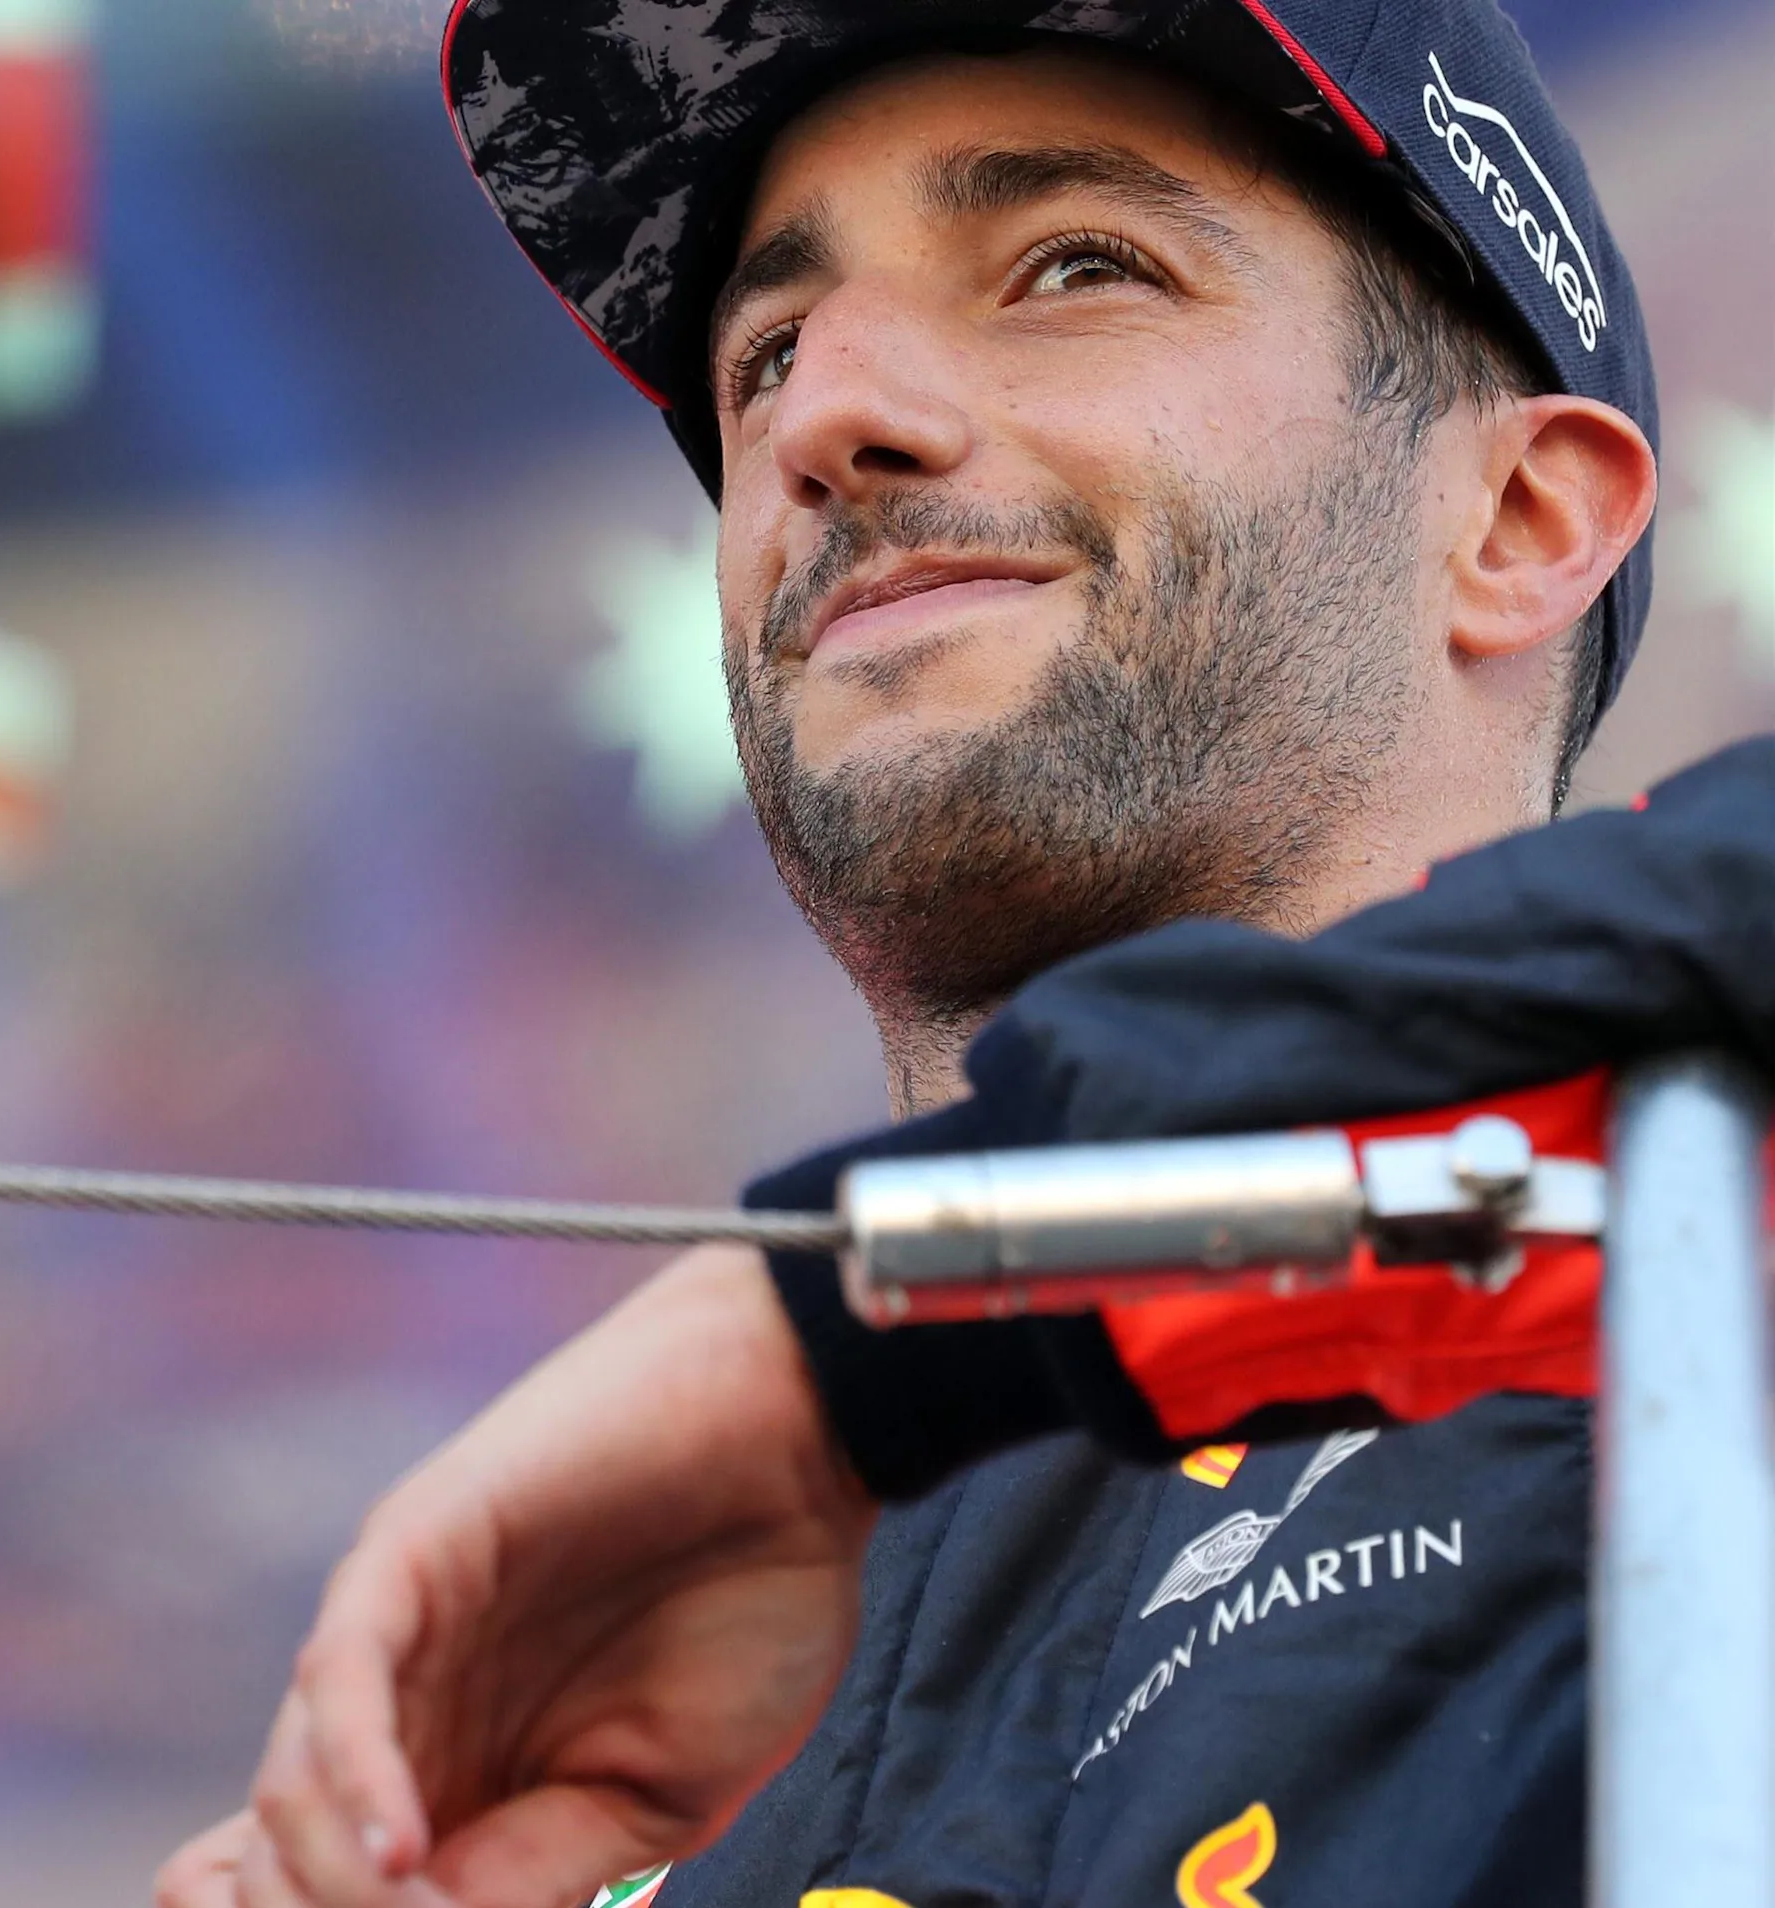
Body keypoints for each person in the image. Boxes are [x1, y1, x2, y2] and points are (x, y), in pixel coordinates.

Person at [156, 1, 1775, 1903]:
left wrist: (881, 1319)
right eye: (763, 358)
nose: (828, 420)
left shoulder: (1714, 1254)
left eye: (1079, 265)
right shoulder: (611, 1778)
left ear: (1514, 514)